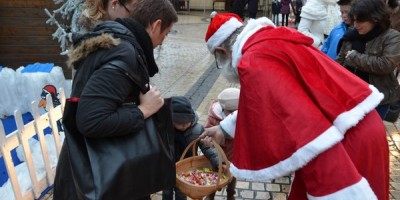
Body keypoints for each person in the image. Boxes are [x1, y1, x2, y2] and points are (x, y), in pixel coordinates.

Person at [202, 12, 389, 199]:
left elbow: (307, 133)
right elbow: (272, 104)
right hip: (356, 125)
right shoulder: (268, 40)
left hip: (344, 146)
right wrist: (225, 128)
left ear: (222, 50)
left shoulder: (253, 62)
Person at [53, 0, 178, 199]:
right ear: (155, 25)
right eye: (166, 32)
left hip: (91, 172)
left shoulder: (116, 42)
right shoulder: (123, 53)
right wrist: (143, 110)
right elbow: (91, 120)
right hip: (97, 181)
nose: (163, 40)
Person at [336, 0, 400, 119]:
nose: (356, 25)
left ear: (375, 19)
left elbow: (386, 65)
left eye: (360, 20)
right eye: (354, 20)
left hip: (377, 98)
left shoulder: (392, 37)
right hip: (350, 94)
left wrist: (354, 57)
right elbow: (339, 62)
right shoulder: (352, 34)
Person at [162, 96, 220, 200]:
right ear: (171, 119)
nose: (183, 125)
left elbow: (206, 148)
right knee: (166, 191)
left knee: (181, 192)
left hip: (186, 169)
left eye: (186, 121)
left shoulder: (197, 130)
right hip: (167, 167)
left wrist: (216, 160)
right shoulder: (165, 130)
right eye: (179, 123)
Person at [203, 88, 240, 200]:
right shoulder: (214, 116)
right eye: (232, 111)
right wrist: (209, 139)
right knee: (214, 173)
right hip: (218, 154)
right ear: (224, 109)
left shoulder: (240, 116)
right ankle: (211, 194)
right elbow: (207, 130)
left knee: (232, 175)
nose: (235, 114)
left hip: (234, 153)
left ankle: (230, 193)